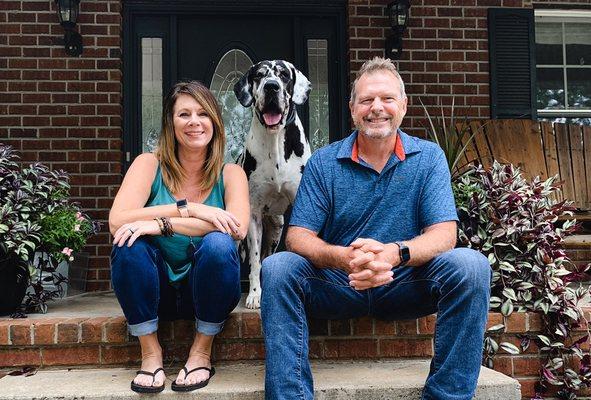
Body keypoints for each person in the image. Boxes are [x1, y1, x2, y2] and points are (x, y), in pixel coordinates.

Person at [260, 57, 491, 400]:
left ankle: (447, 396)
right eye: (366, 100)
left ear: (403, 106)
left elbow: (444, 234)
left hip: (404, 281)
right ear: (352, 109)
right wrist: (345, 258)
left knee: (472, 266)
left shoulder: (428, 158)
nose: (376, 108)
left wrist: (394, 255)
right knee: (277, 267)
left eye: (386, 99)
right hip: (340, 282)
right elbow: (297, 237)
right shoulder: (324, 162)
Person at [109, 81, 249, 393]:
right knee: (129, 242)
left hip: (208, 293)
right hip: (155, 293)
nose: (194, 122)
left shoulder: (231, 174)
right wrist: (190, 209)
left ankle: (201, 351)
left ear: (214, 121)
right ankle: (150, 353)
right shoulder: (149, 164)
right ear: (171, 124)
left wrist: (159, 224)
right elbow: (117, 220)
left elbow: (236, 227)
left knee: (219, 244)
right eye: (183, 114)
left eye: (203, 113)